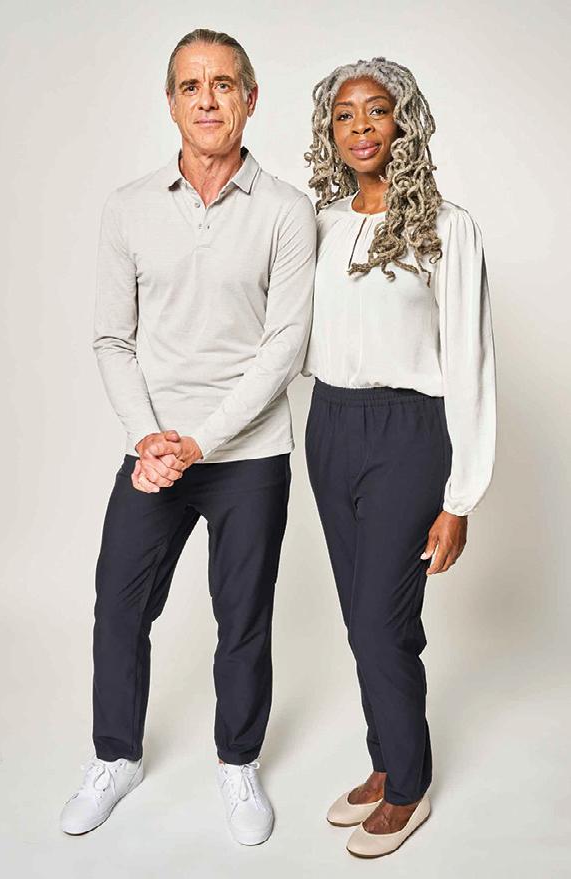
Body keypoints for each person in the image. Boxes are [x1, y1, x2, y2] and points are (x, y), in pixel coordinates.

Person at [60, 28, 316, 846]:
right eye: (191, 85)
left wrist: (200, 440)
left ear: (250, 98)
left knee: (242, 617)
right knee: (119, 603)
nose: (207, 99)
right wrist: (150, 440)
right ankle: (115, 756)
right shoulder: (129, 207)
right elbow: (113, 338)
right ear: (171, 102)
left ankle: (238, 760)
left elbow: (283, 349)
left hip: (250, 452)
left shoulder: (287, 211)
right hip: (155, 451)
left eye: (223, 84)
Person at [302, 57, 496, 858]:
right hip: (329, 425)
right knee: (360, 617)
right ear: (330, 128)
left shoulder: (447, 226)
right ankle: (386, 759)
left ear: (403, 120)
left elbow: (471, 360)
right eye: (345, 114)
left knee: (382, 621)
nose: (360, 128)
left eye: (376, 110)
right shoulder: (319, 223)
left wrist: (460, 497)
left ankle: (408, 786)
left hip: (409, 432)